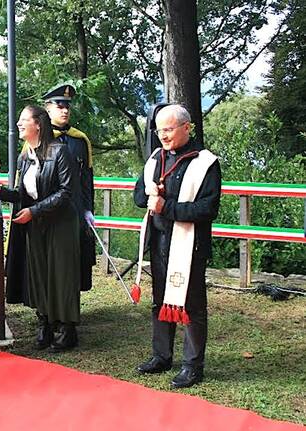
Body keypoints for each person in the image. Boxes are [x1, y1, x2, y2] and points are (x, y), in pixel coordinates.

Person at [133, 104, 221, 389]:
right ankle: (162, 355)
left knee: (192, 306)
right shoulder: (155, 158)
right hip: (159, 242)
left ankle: (193, 365)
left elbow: (207, 209)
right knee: (160, 300)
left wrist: (165, 206)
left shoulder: (205, 162)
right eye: (159, 130)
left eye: (169, 129)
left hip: (189, 245)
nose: (163, 136)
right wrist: (149, 193)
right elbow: (138, 196)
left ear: (186, 127)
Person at [0, 105, 81, 352]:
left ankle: (66, 329)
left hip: (60, 222)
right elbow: (23, 193)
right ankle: (45, 323)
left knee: (61, 275)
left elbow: (67, 192)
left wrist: (35, 211)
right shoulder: (24, 156)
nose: (19, 124)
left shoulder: (60, 152)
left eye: (23, 120)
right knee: (39, 273)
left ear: (38, 124)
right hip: (36, 223)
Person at [43, 84, 96, 292]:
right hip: (48, 211)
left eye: (67, 107)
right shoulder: (39, 139)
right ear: (48, 109)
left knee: (75, 262)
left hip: (74, 210)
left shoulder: (79, 140)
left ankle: (70, 313)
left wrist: (88, 208)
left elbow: (86, 179)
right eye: (59, 106)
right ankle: (46, 312)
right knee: (49, 262)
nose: (65, 110)